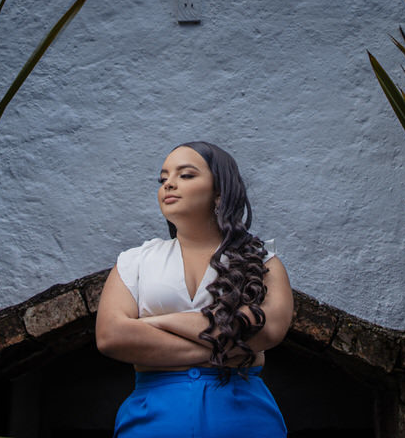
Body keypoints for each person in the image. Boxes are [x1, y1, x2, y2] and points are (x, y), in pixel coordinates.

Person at [96, 141, 292, 436]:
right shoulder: (134, 261)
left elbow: (269, 331)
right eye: (163, 179)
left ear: (219, 192)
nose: (170, 184)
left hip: (245, 420)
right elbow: (111, 336)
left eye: (186, 175)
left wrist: (154, 323)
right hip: (152, 422)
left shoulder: (262, 260)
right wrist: (227, 346)